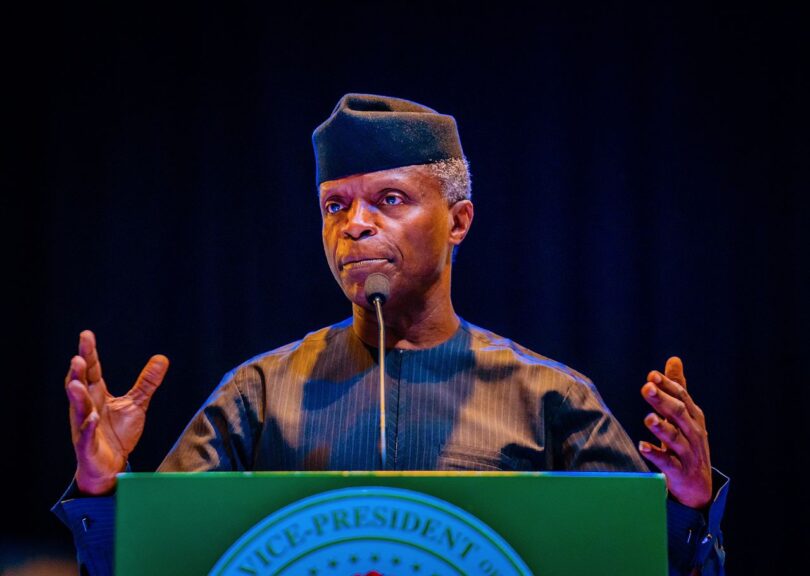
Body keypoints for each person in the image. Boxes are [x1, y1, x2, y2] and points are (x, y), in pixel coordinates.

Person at [53, 93, 728, 575]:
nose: (354, 225)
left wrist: (687, 505)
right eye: (335, 205)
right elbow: (164, 562)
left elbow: (637, 561)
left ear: (458, 221)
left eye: (390, 199)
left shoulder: (550, 398)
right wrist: (104, 491)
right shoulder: (257, 394)